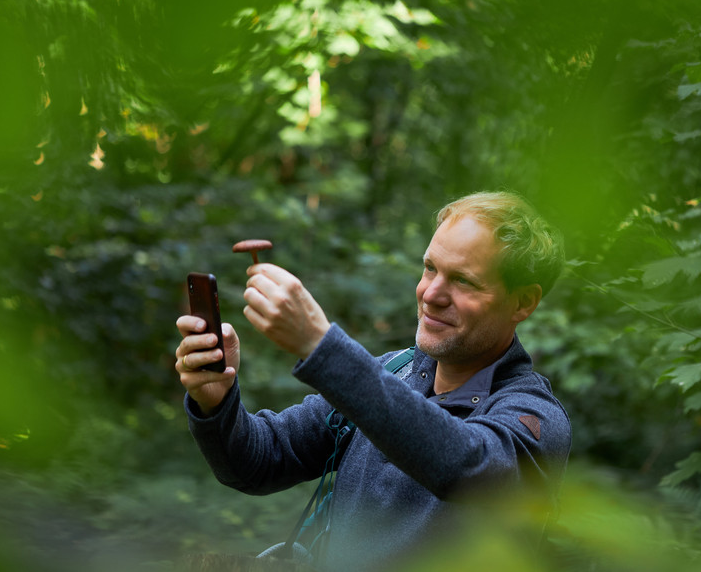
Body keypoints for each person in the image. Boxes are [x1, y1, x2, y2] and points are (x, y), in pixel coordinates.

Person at [174, 191, 571, 571]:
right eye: (430, 267)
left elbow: (470, 467)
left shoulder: (533, 415)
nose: (431, 293)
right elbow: (259, 462)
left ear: (523, 302)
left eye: (463, 281)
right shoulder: (390, 372)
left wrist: (320, 346)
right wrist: (217, 401)